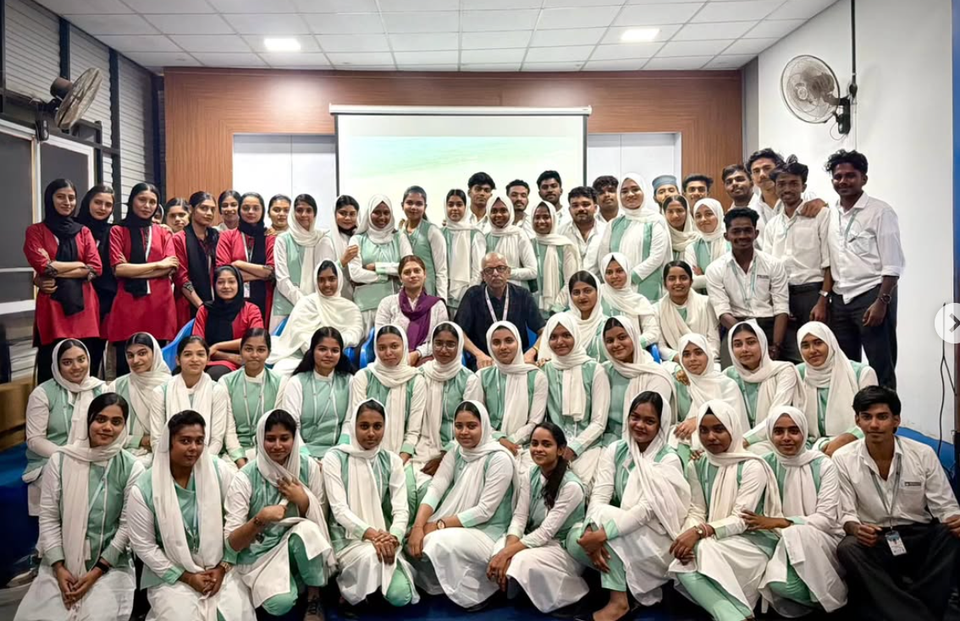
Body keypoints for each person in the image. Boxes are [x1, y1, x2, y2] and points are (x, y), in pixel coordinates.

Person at [833, 386, 960, 621]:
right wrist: (855, 528)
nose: (874, 425)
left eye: (882, 417)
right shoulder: (843, 458)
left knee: (952, 532)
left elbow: (945, 507)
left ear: (896, 420)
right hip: (876, 539)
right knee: (848, 548)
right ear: (857, 421)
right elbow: (846, 513)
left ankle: (898, 610)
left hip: (919, 535)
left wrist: (955, 520)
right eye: (866, 417)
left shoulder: (923, 453)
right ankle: (919, 615)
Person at [14, 393, 143, 621]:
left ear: (125, 425)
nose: (107, 427)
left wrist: (96, 572)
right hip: (60, 563)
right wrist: (59, 567)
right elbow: (49, 517)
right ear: (89, 420)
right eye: (100, 419)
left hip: (109, 567)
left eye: (116, 422)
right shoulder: (61, 460)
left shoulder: (132, 468)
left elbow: (126, 527)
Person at [569, 392, 691, 619]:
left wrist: (602, 534)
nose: (640, 425)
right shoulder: (617, 449)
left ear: (661, 425)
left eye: (650, 421)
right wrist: (590, 529)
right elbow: (600, 493)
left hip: (656, 539)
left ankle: (618, 603)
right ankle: (624, 589)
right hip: (621, 530)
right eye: (635, 417)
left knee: (604, 523)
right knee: (574, 538)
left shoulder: (667, 459)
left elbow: (646, 511)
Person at [127, 411, 254, 621]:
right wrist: (187, 577)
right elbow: (143, 545)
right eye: (185, 441)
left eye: (199, 441)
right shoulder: (145, 487)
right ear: (169, 443)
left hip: (222, 568)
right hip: (170, 574)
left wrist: (223, 566)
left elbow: (237, 518)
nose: (193, 448)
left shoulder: (218, 470)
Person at [668, 400, 783, 621]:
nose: (711, 437)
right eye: (704, 430)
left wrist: (699, 533)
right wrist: (688, 535)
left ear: (732, 429)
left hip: (753, 540)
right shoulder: (697, 464)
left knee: (699, 554)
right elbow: (697, 510)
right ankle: (737, 616)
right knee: (681, 560)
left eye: (719, 429)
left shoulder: (752, 465)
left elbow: (742, 519)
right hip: (716, 538)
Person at [406, 400, 517, 609]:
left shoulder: (499, 458)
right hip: (459, 524)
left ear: (484, 426)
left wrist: (437, 525)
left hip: (488, 532)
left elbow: (485, 511)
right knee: (414, 541)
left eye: (471, 426)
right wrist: (418, 526)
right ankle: (451, 584)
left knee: (436, 541)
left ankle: (481, 592)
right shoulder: (457, 451)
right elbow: (436, 487)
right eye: (459, 426)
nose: (464, 432)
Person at [224, 410, 334, 620]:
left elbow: (322, 518)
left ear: (295, 439)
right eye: (270, 439)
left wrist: (302, 500)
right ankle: (296, 581)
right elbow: (231, 543)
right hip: (259, 555)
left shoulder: (308, 467)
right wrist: (260, 519)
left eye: (285, 438)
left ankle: (314, 596)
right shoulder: (245, 478)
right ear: (259, 438)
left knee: (308, 531)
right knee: (279, 605)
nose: (277, 445)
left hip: (296, 546)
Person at [750, 406, 847, 617]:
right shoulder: (763, 464)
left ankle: (835, 597)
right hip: (776, 538)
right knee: (777, 584)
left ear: (804, 432)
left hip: (820, 538)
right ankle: (822, 599)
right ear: (770, 434)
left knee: (797, 534)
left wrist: (781, 522)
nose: (786, 438)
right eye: (778, 432)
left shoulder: (823, 465)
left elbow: (826, 520)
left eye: (794, 431)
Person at [322, 399, 419, 608]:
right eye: (364, 426)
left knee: (401, 597)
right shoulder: (335, 457)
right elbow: (339, 510)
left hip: (385, 539)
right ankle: (349, 588)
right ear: (353, 426)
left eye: (377, 426)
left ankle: (368, 587)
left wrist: (393, 538)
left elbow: (401, 509)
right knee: (370, 559)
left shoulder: (392, 460)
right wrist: (373, 536)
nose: (371, 433)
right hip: (347, 540)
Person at [486, 422, 588, 614]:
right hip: (534, 539)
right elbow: (519, 517)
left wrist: (507, 554)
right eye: (534, 443)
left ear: (561, 450)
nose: (538, 449)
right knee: (496, 550)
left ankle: (572, 596)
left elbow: (545, 533)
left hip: (560, 547)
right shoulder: (530, 474)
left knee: (521, 560)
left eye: (546, 444)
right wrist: (506, 550)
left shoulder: (571, 486)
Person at [825, 149, 904, 389]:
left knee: (881, 367)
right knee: (847, 369)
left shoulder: (880, 212)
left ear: (864, 179)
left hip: (872, 295)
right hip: (840, 299)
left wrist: (882, 302)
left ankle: (886, 422)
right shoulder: (829, 213)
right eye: (838, 177)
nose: (843, 181)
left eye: (850, 175)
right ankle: (855, 423)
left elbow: (893, 264)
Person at [25, 179, 103, 383]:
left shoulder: (83, 231)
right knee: (51, 366)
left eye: (71, 197)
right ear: (49, 199)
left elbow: (96, 268)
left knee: (85, 368)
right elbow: (43, 266)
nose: (67, 202)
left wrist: (55, 266)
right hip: (52, 307)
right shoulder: (36, 231)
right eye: (60, 197)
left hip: (85, 308)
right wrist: (79, 266)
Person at [23, 339, 105, 516]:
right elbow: (35, 440)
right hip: (53, 459)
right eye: (67, 362)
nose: (76, 367)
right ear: (57, 365)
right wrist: (69, 455)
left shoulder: (101, 389)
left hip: (95, 454)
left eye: (81, 359)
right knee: (70, 480)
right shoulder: (43, 393)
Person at [762, 157, 831, 363]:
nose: (787, 189)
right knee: (790, 358)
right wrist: (777, 302)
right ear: (775, 187)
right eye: (781, 184)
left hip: (813, 294)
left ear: (804, 186)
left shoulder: (820, 215)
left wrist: (823, 300)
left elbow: (830, 262)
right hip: (783, 296)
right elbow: (769, 269)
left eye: (793, 183)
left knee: (818, 354)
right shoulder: (772, 225)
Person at [108, 182, 177, 376]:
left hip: (159, 305)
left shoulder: (164, 232)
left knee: (158, 366)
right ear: (132, 201)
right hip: (128, 304)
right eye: (142, 200)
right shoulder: (117, 231)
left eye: (152, 202)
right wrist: (157, 265)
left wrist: (135, 269)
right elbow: (119, 269)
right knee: (126, 365)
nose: (147, 206)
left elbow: (171, 266)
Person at [705, 207, 789, 366]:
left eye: (747, 230)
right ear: (726, 236)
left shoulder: (773, 265)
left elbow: (781, 309)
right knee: (729, 373)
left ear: (756, 233)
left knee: (787, 368)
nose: (742, 236)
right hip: (735, 326)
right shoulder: (715, 269)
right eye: (736, 231)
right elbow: (723, 313)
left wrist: (776, 346)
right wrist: (748, 338)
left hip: (769, 325)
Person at [149, 336, 243, 469]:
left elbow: (216, 439)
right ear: (178, 360)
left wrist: (201, 464)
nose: (194, 359)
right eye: (188, 354)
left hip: (208, 459)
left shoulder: (217, 391)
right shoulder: (160, 392)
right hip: (169, 459)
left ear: (208, 359)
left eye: (200, 354)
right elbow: (157, 438)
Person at [539, 313, 610, 488]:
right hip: (554, 445)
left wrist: (573, 449)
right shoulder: (545, 370)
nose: (559, 341)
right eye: (553, 337)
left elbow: (599, 423)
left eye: (566, 335)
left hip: (588, 445)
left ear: (576, 336)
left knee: (578, 487)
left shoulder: (595, 370)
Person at [413, 323, 482, 488]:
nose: (443, 349)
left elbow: (471, 426)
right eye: (438, 343)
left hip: (458, 448)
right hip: (421, 446)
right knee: (410, 487)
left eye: (451, 344)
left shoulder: (469, 379)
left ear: (459, 347)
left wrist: (445, 456)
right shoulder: (420, 374)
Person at [267, 261, 363, 375]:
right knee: (280, 370)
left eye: (331, 279)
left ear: (339, 279)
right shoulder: (306, 303)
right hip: (301, 356)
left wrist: (330, 346)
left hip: (333, 357)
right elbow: (299, 333)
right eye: (321, 280)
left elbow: (355, 334)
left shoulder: (351, 308)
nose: (327, 284)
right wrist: (315, 351)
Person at [798, 321, 877, 456]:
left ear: (830, 342)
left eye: (818, 343)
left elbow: (872, 418)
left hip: (854, 442)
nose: (812, 350)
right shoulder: (797, 374)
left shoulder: (861, 373)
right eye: (805, 345)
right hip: (808, 445)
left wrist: (846, 438)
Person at [475, 321, 547, 467]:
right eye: (496, 342)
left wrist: (511, 441)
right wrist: (500, 440)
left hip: (524, 446)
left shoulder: (536, 376)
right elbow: (477, 419)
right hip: (487, 442)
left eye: (509, 341)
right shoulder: (481, 377)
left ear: (518, 342)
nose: (503, 347)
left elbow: (535, 422)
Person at [454, 252, 545, 367]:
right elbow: (458, 331)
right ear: (483, 276)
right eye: (489, 270)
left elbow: (544, 331)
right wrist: (478, 354)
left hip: (518, 359)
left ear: (508, 272)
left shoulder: (522, 295)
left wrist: (532, 352)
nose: (495, 273)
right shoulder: (473, 295)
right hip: (485, 360)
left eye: (500, 268)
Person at [348, 325, 425, 459]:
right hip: (364, 451)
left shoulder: (416, 380)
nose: (388, 353)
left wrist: (399, 462)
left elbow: (413, 431)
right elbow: (356, 422)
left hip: (403, 455)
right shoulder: (364, 377)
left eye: (394, 346)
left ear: (404, 347)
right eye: (382, 348)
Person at [724, 321, 803, 450]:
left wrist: (745, 440)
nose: (744, 349)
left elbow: (776, 415)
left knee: (752, 454)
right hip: (736, 441)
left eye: (751, 342)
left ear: (762, 343)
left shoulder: (784, 371)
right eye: (738, 344)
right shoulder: (728, 375)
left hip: (775, 438)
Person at [669, 334, 747, 463]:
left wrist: (698, 420)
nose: (692, 359)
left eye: (698, 353)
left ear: (708, 355)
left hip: (723, 445)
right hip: (689, 446)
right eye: (686, 354)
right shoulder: (682, 384)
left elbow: (735, 425)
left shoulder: (726, 384)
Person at [600, 317, 674, 450]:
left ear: (634, 337)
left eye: (622, 337)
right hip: (604, 445)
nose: (616, 344)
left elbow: (654, 423)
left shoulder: (656, 375)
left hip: (645, 445)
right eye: (609, 341)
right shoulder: (603, 371)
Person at [283, 327, 354, 461]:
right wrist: (307, 457)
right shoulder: (296, 382)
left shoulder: (349, 381)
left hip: (339, 453)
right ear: (312, 351)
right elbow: (291, 426)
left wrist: (338, 455)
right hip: (302, 455)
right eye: (322, 349)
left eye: (335, 350)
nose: (328, 354)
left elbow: (349, 422)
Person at [598, 173, 672, 300]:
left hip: (648, 287)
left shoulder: (655, 220)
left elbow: (657, 257)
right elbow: (604, 257)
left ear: (643, 191)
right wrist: (615, 278)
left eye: (635, 189)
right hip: (617, 289)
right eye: (624, 191)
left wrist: (629, 277)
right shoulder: (613, 224)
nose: (630, 194)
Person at [270, 193, 337, 332]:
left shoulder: (322, 238)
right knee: (281, 349)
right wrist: (304, 302)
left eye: (309, 210)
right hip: (286, 306)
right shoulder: (283, 239)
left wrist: (312, 304)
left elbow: (326, 273)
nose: (304, 214)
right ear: (293, 213)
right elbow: (282, 279)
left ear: (315, 214)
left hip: (316, 307)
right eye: (299, 210)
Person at [346, 195, 413, 331]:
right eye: (377, 212)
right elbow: (355, 274)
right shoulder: (357, 240)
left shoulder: (399, 237)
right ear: (369, 214)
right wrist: (387, 276)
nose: (382, 217)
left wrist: (377, 267)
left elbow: (408, 266)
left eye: (386, 212)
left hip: (396, 307)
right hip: (366, 308)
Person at [219, 329, 287, 461]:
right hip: (234, 453)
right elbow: (228, 430)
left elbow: (278, 425)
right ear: (240, 351)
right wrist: (239, 459)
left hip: (269, 452)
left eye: (261, 350)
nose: (254, 355)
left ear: (269, 354)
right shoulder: (226, 382)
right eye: (249, 349)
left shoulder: (280, 382)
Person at [105, 333, 171, 464]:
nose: (135, 360)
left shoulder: (172, 385)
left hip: (165, 454)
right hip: (123, 454)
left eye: (142, 353)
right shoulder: (117, 386)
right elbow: (107, 430)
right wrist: (139, 440)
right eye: (130, 355)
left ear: (155, 353)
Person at [192, 266, 264, 380]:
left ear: (239, 284)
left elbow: (255, 340)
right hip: (205, 359)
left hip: (240, 362)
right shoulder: (205, 310)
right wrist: (226, 356)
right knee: (180, 375)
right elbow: (197, 343)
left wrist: (217, 346)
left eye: (231, 282)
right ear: (214, 285)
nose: (226, 286)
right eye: (220, 282)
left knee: (214, 375)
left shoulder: (251, 310)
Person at [375, 255, 449, 365]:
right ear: (400, 278)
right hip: (393, 356)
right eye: (407, 272)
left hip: (427, 358)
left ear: (424, 274)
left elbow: (441, 340)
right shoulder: (387, 303)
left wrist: (418, 353)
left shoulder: (437, 305)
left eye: (417, 271)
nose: (413, 275)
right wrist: (400, 355)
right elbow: (380, 337)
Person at [76, 184, 118, 377]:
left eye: (108, 204)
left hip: (103, 303)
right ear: (87, 202)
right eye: (98, 202)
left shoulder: (113, 232)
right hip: (73, 299)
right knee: (72, 352)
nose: (102, 208)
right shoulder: (73, 228)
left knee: (94, 354)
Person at [216, 191, 276, 325]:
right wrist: (262, 274)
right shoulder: (227, 236)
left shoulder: (270, 238)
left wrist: (238, 264)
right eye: (245, 208)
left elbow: (272, 272)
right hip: (232, 297)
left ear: (263, 211)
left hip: (264, 297)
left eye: (256, 208)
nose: (250, 212)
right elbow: (223, 271)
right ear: (240, 210)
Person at [657, 260, 720, 363]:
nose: (678, 283)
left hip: (707, 360)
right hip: (675, 362)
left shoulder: (706, 303)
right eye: (672, 279)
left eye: (683, 278)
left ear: (691, 281)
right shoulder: (657, 309)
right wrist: (681, 359)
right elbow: (661, 346)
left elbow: (714, 342)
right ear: (664, 283)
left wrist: (702, 360)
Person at [172, 191, 219, 329]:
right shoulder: (180, 238)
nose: (209, 213)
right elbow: (181, 278)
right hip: (188, 305)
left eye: (212, 209)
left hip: (215, 303)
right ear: (191, 209)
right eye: (203, 208)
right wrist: (201, 306)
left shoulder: (216, 237)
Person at [598, 253, 661, 348]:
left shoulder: (639, 301)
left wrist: (632, 343)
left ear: (627, 272)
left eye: (619, 271)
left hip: (635, 353)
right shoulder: (598, 296)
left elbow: (653, 332)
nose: (614, 276)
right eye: (609, 272)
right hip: (604, 352)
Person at [531, 201, 579, 317]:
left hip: (561, 312)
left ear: (553, 219)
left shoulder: (566, 246)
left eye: (546, 217)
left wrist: (556, 309)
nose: (541, 221)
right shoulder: (528, 244)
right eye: (537, 217)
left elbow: (570, 282)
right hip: (532, 313)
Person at [400, 185, 448, 300]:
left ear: (425, 207)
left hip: (429, 294)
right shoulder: (400, 233)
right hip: (407, 295)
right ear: (402, 205)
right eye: (409, 203)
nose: (413, 207)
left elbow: (441, 271)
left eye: (419, 204)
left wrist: (441, 301)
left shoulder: (432, 231)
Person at [442, 188, 484, 313]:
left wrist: (469, 297)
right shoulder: (439, 233)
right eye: (450, 204)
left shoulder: (475, 234)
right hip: (443, 295)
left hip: (468, 296)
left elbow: (478, 271)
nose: (454, 208)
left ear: (466, 207)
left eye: (459, 204)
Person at [484, 193, 538, 288]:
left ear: (510, 211)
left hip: (517, 293)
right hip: (490, 294)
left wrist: (504, 272)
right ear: (488, 213)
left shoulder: (518, 234)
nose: (498, 215)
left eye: (503, 210)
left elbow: (533, 271)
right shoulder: (485, 238)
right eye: (494, 211)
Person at [684, 198, 728, 291]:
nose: (703, 219)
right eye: (698, 216)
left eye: (709, 214)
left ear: (719, 214)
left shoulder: (731, 242)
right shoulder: (692, 247)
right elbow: (692, 282)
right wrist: (720, 278)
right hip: (703, 301)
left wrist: (702, 277)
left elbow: (733, 279)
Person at [559, 186, 604, 274]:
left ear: (595, 208)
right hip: (568, 286)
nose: (580, 209)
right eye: (575, 205)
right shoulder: (560, 233)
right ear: (569, 209)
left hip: (599, 286)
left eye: (586, 204)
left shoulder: (606, 231)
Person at [565, 271, 607, 360]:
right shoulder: (563, 323)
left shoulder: (607, 325)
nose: (582, 297)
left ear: (598, 292)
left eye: (587, 291)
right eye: (576, 292)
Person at [331, 194, 360, 301]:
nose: (348, 218)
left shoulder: (362, 238)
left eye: (352, 214)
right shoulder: (327, 239)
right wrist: (343, 260)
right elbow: (322, 272)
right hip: (337, 298)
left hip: (363, 298)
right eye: (342, 213)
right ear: (334, 214)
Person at [663, 195, 696, 262]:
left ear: (687, 212)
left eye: (680, 211)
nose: (675, 215)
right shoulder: (661, 239)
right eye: (670, 211)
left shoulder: (698, 239)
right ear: (664, 214)